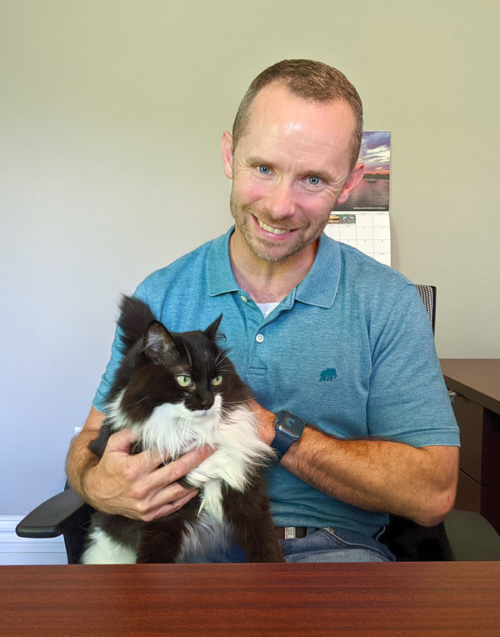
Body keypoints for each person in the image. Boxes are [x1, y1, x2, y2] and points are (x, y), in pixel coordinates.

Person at [66, 59, 460, 563]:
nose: (279, 206)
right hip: (172, 546)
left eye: (314, 179)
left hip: (324, 551)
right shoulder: (163, 292)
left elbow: (432, 495)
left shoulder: (387, 303)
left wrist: (271, 430)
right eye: (264, 168)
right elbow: (88, 442)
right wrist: (98, 485)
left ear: (351, 181)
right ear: (230, 153)